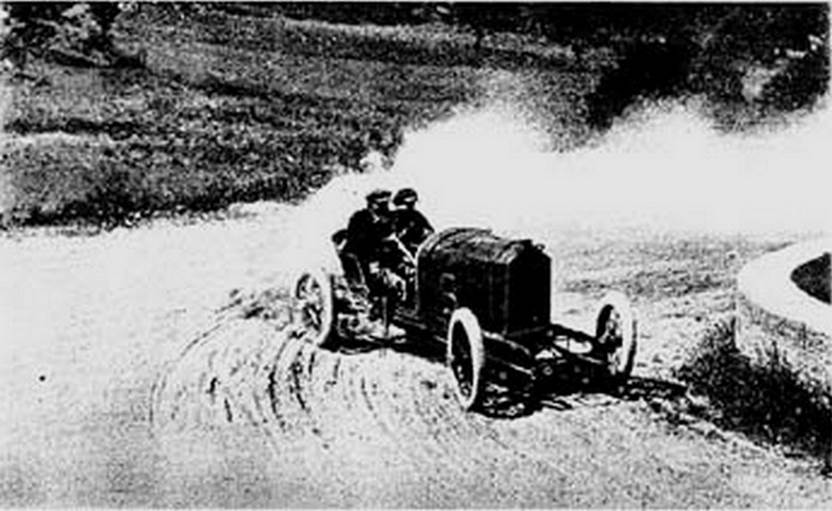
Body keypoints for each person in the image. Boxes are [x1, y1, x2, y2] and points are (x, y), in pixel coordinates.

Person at [392, 188, 434, 256]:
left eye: (412, 204)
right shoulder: (394, 218)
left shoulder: (417, 215)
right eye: (408, 204)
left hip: (422, 249)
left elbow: (430, 231)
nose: (411, 206)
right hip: (403, 253)